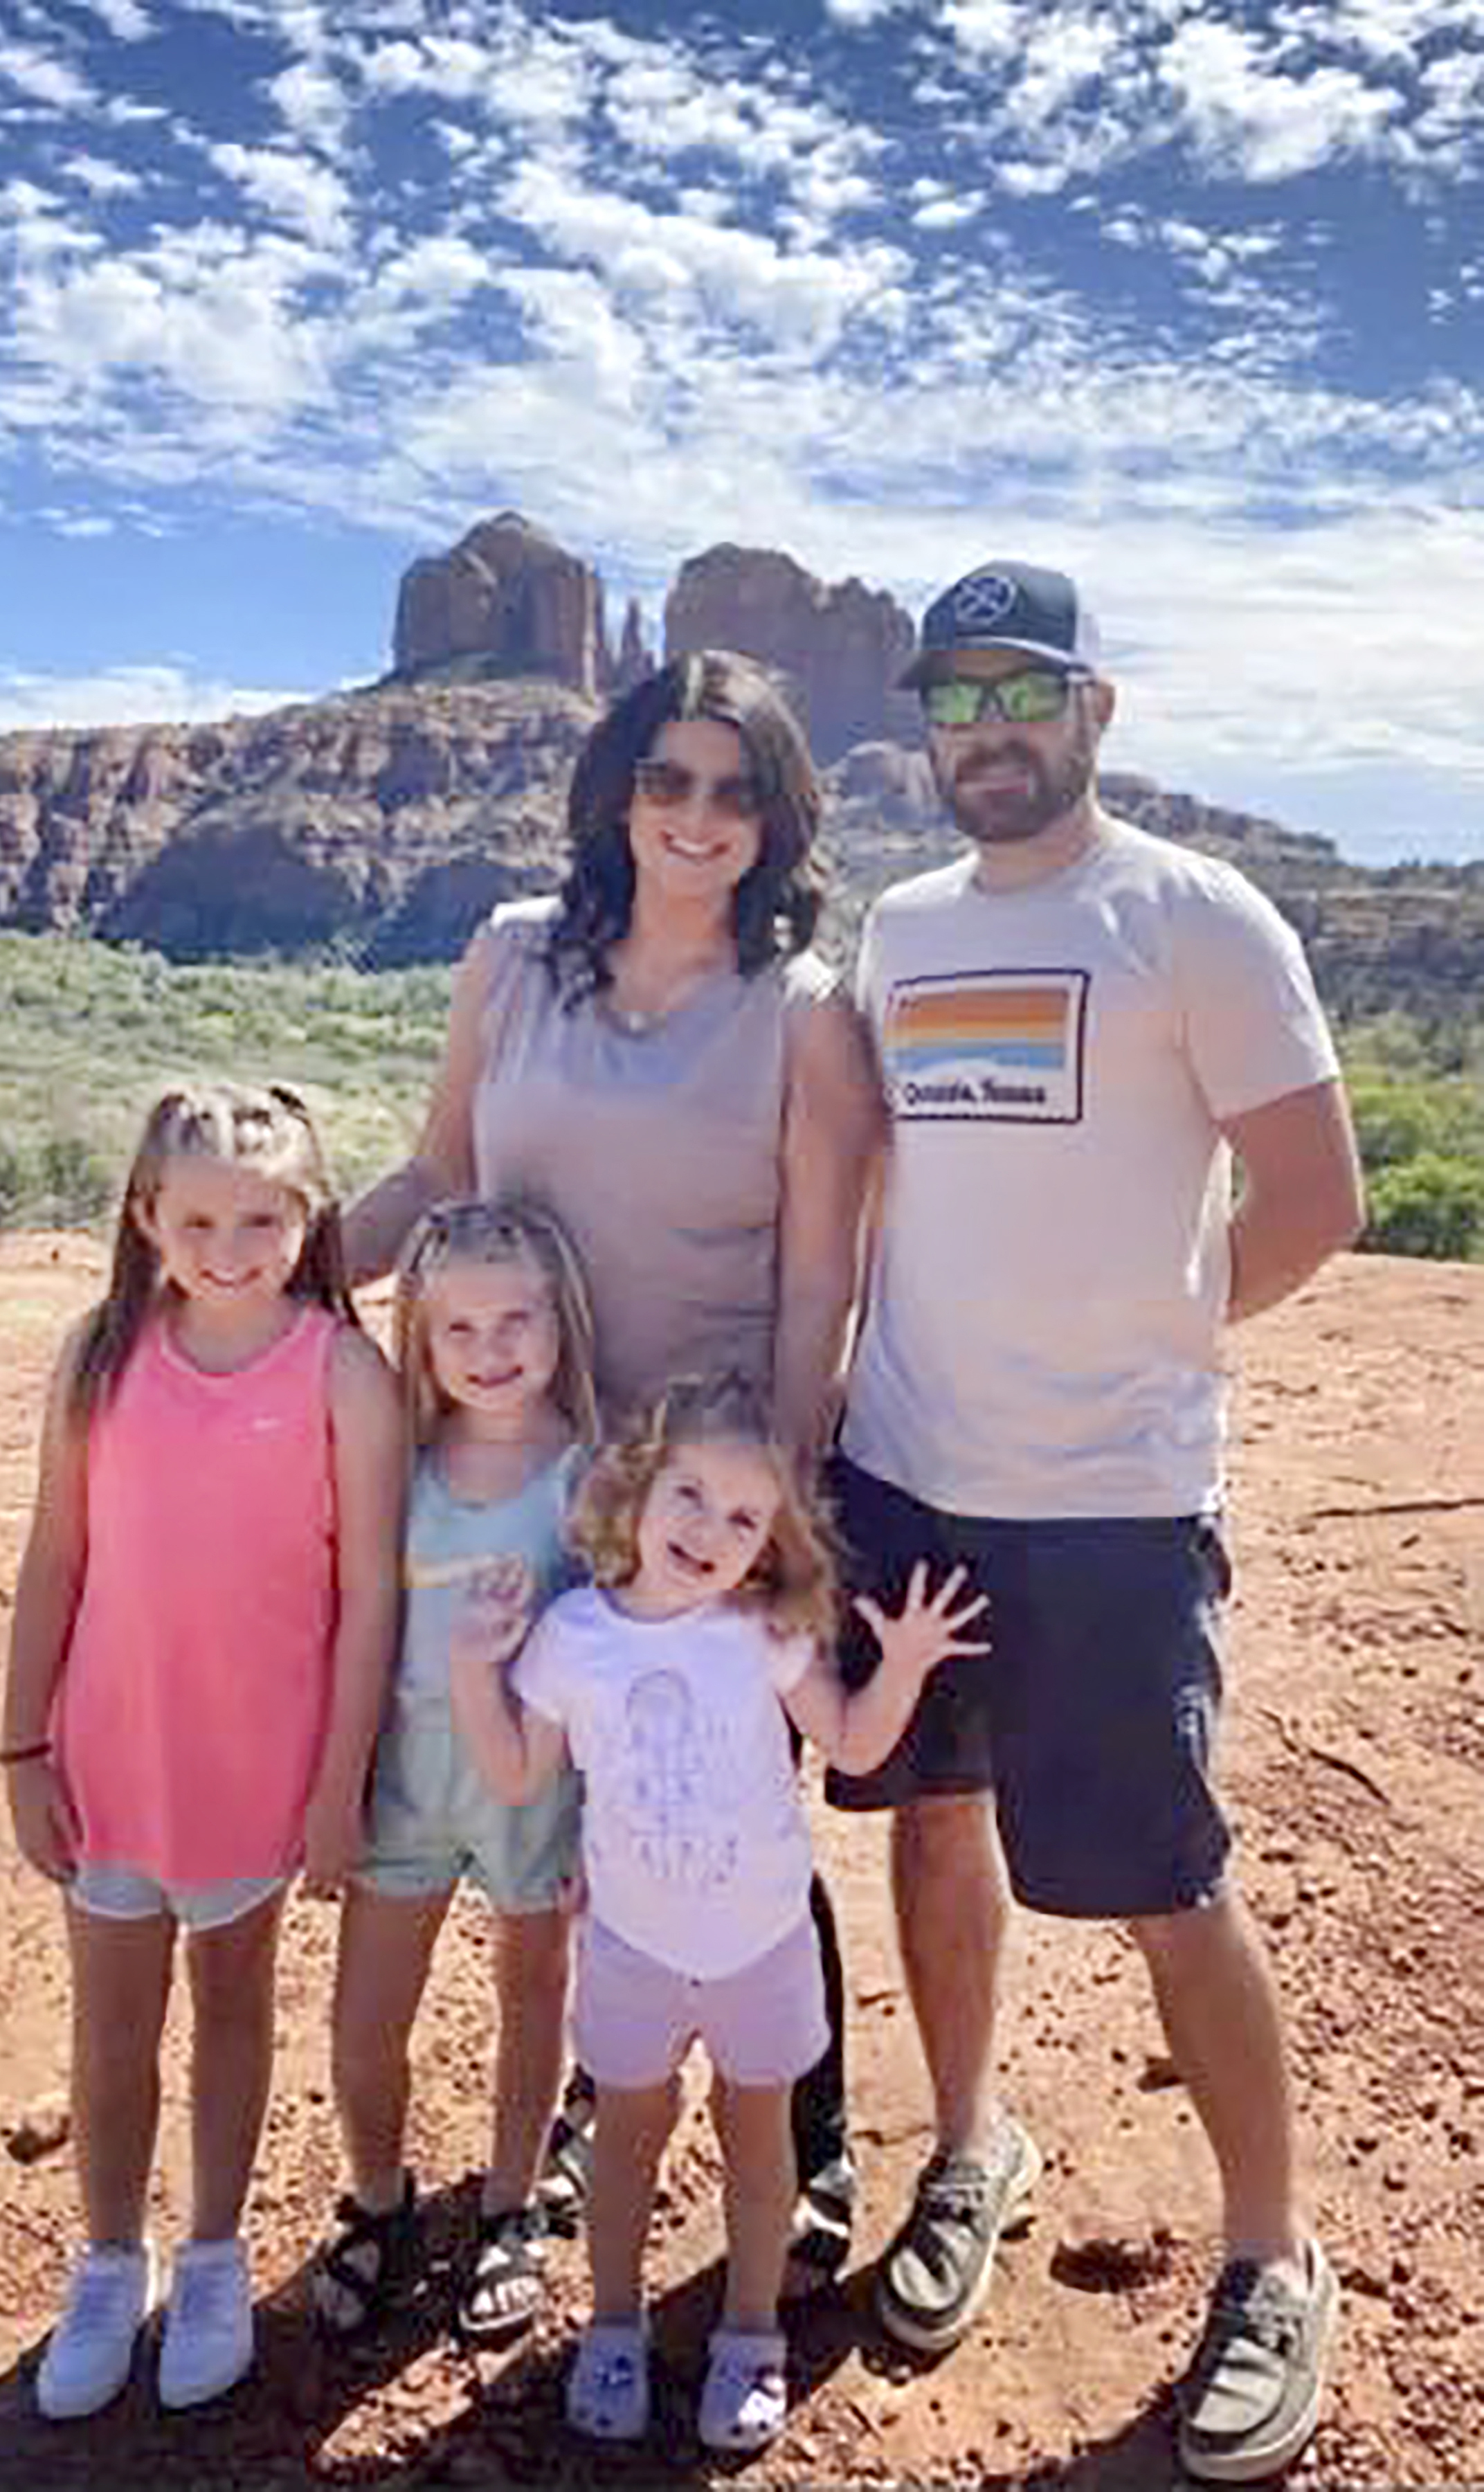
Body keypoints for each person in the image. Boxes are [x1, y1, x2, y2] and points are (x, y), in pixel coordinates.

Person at [826, 558, 1365, 2482]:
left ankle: (1270, 2254)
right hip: (908, 1469)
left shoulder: (1195, 917)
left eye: (1021, 692)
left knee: (1162, 1880)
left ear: (1094, 710)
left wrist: (1156, 1347)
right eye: (955, 699)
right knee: (931, 1819)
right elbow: (872, 1177)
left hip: (1112, 1507)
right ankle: (972, 2145)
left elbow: (1317, 1196)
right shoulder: (898, 930)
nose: (988, 730)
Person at [342, 649, 885, 2279]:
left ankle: (809, 2138)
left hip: (699, 1513)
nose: (696, 817)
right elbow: (437, 1171)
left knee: (726, 1801)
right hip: (524, 1477)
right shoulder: (512, 957)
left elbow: (819, 1281)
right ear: (618, 793)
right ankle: (601, 2094)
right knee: (589, 1807)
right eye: (667, 779)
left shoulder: (803, 1017)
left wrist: (770, 1519)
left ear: (777, 822)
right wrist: (273, 1271)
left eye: (735, 791)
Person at [449, 1372, 990, 2453]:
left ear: (771, 1543)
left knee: (760, 2143)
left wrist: (905, 1665)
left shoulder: (763, 1634)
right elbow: (515, 1774)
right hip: (632, 1950)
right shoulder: (573, 1637)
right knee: (626, 2142)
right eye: (690, 1495)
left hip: (763, 1949)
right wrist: (471, 1668)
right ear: (639, 1485)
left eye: (745, 1519)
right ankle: (613, 2326)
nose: (709, 1531)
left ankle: (750, 2333)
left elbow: (851, 1743)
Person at [0, 1083, 404, 2421]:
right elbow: (55, 1559)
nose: (232, 1250)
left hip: (255, 1765)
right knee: (111, 2026)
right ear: (146, 1218)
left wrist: (339, 1783)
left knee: (233, 2004)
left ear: (309, 1219)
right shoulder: (100, 1357)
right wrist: (23, 1749)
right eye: (200, 1221)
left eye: (264, 1220)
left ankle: (216, 2256)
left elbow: (371, 1600)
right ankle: (110, 2262)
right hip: (111, 1755)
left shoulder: (343, 1372)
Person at [311, 1196, 597, 2347]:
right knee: (364, 2021)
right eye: (460, 1330)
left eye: (517, 1321)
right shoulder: (402, 1467)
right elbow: (359, 1625)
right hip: (407, 1781)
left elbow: (615, 1650)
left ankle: (512, 2203)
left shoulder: (589, 1475)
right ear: (420, 1340)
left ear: (562, 1321)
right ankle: (379, 2200)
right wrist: (334, 1788)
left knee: (531, 1995)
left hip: (535, 1784)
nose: (491, 1351)